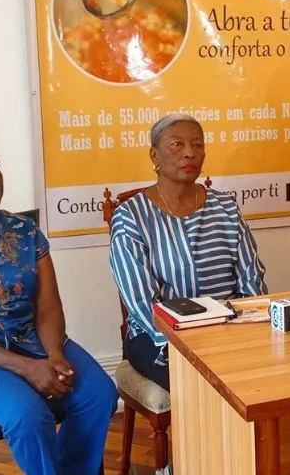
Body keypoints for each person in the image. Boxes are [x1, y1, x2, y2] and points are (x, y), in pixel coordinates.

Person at [0, 138, 117, 475]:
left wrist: (54, 354)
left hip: (33, 341)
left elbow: (47, 304)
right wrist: (26, 367)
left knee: (99, 394)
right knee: (27, 414)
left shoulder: (24, 230)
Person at [109, 114, 267, 391]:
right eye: (177, 145)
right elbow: (141, 301)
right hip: (159, 336)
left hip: (227, 328)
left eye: (198, 144)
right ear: (154, 155)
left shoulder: (225, 207)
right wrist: (184, 341)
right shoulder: (132, 216)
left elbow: (252, 281)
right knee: (202, 381)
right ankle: (205, 435)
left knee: (268, 365)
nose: (190, 153)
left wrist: (250, 330)